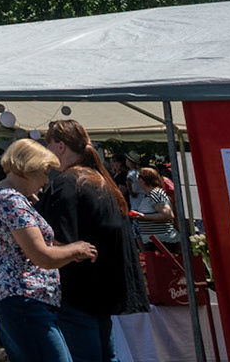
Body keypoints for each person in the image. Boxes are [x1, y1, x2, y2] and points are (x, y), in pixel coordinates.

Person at [38, 119, 149, 362]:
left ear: (60, 146)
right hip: (103, 289)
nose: (47, 152)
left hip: (78, 291)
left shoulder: (68, 183)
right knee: (107, 356)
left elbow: (58, 241)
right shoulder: (101, 181)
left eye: (49, 145)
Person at [0, 139, 99, 362]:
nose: (46, 181)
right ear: (28, 169)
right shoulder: (12, 202)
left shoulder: (4, 194)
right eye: (45, 173)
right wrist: (75, 248)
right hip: (25, 299)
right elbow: (42, 257)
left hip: (20, 299)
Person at [132, 168, 178, 245]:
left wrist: (143, 216)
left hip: (163, 241)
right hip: (154, 241)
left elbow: (167, 215)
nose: (138, 180)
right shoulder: (149, 195)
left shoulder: (155, 194)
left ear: (145, 179)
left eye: (140, 177)